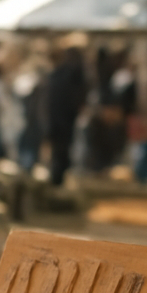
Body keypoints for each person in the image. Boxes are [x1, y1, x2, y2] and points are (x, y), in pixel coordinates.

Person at [46, 37, 89, 187]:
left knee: (60, 151)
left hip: (58, 118)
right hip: (64, 118)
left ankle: (57, 180)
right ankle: (58, 180)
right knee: (62, 152)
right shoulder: (72, 73)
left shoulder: (58, 73)